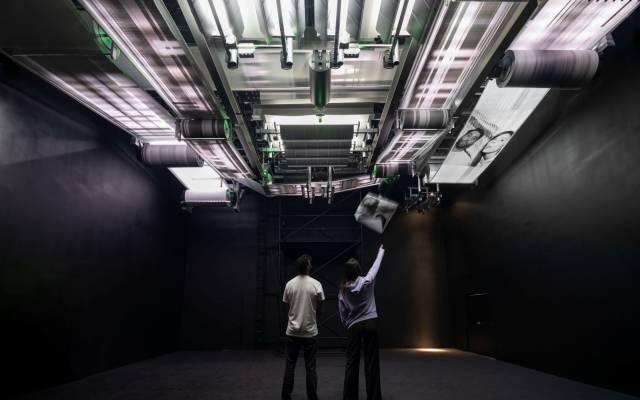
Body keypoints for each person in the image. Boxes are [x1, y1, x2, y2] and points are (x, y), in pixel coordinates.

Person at [339, 244, 386, 400]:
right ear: (359, 270)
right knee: (371, 363)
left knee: (352, 363)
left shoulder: (343, 290)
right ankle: (373, 397)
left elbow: (342, 311)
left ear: (347, 272)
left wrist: (347, 323)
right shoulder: (367, 280)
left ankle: (349, 397)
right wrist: (380, 251)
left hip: (354, 326)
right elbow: (375, 266)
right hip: (371, 324)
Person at [281, 254, 325, 400]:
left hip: (292, 332)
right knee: (310, 367)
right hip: (310, 333)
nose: (311, 266)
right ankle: (312, 398)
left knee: (290, 365)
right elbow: (320, 307)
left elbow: (287, 307)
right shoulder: (316, 284)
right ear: (307, 266)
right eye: (310, 264)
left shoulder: (289, 284)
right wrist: (313, 321)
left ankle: (285, 397)